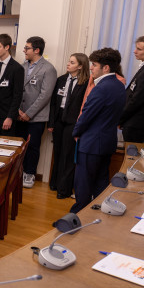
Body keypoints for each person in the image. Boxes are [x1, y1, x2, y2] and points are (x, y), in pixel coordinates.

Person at [71, 48, 126, 213]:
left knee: (83, 184)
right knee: (100, 182)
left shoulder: (101, 87)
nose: (91, 68)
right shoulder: (119, 85)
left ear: (106, 68)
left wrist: (76, 132)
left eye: (94, 65)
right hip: (107, 141)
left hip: (91, 143)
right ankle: (97, 214)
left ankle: (77, 216)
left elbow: (87, 115)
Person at [16, 36, 57, 189]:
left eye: (27, 48)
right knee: (19, 146)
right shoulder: (22, 66)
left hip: (36, 117)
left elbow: (45, 95)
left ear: (36, 50)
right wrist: (19, 111)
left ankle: (29, 173)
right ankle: (18, 172)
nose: (24, 51)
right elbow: (17, 90)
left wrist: (29, 113)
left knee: (32, 146)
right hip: (19, 115)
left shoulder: (48, 69)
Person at [48, 53, 89, 199]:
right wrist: (51, 122)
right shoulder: (61, 80)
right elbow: (53, 103)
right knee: (58, 152)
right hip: (59, 120)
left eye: (72, 62)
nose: (68, 64)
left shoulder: (86, 83)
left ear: (80, 66)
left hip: (73, 122)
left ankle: (64, 189)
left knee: (68, 155)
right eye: (69, 61)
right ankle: (54, 183)